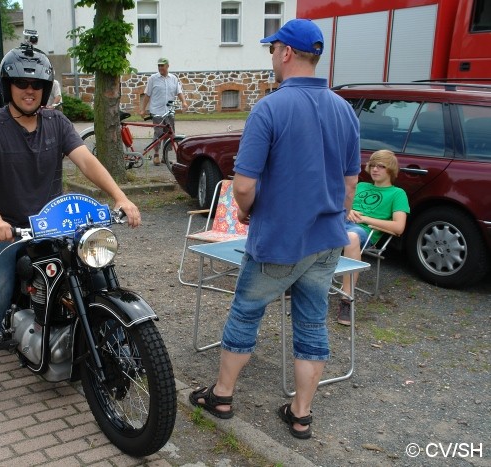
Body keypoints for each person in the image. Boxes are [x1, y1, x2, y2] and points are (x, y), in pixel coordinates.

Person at [188, 19, 361, 440]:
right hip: (325, 241)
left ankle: (222, 395)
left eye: (272, 50)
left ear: (286, 52)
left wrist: (248, 213)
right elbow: (350, 187)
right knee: (311, 325)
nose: (271, 58)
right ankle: (301, 415)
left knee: (246, 313)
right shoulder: (344, 109)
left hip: (279, 240)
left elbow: (243, 186)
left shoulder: (270, 107)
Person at [0, 45, 141, 416]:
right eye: (23, 83)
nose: (30, 90)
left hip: (52, 223)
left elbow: (86, 160)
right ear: (9, 86)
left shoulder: (56, 124)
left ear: (46, 89)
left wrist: (120, 197)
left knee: (96, 274)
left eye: (38, 84)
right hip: (8, 228)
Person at [338, 149, 409, 325]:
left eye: (381, 166)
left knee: (351, 237)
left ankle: (346, 300)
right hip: (342, 221)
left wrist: (365, 218)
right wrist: (348, 210)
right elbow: (338, 203)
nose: (375, 169)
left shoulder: (397, 193)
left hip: (363, 231)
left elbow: (399, 227)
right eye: (373, 165)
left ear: (391, 170)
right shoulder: (361, 186)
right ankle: (297, 285)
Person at [141, 57, 189, 165]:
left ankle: (165, 156)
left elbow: (179, 92)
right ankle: (156, 154)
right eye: (159, 65)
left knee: (169, 134)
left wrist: (184, 102)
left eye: (162, 65)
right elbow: (147, 95)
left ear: (167, 66)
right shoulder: (153, 78)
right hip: (157, 111)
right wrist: (143, 109)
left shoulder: (173, 78)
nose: (160, 68)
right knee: (158, 133)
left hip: (169, 111)